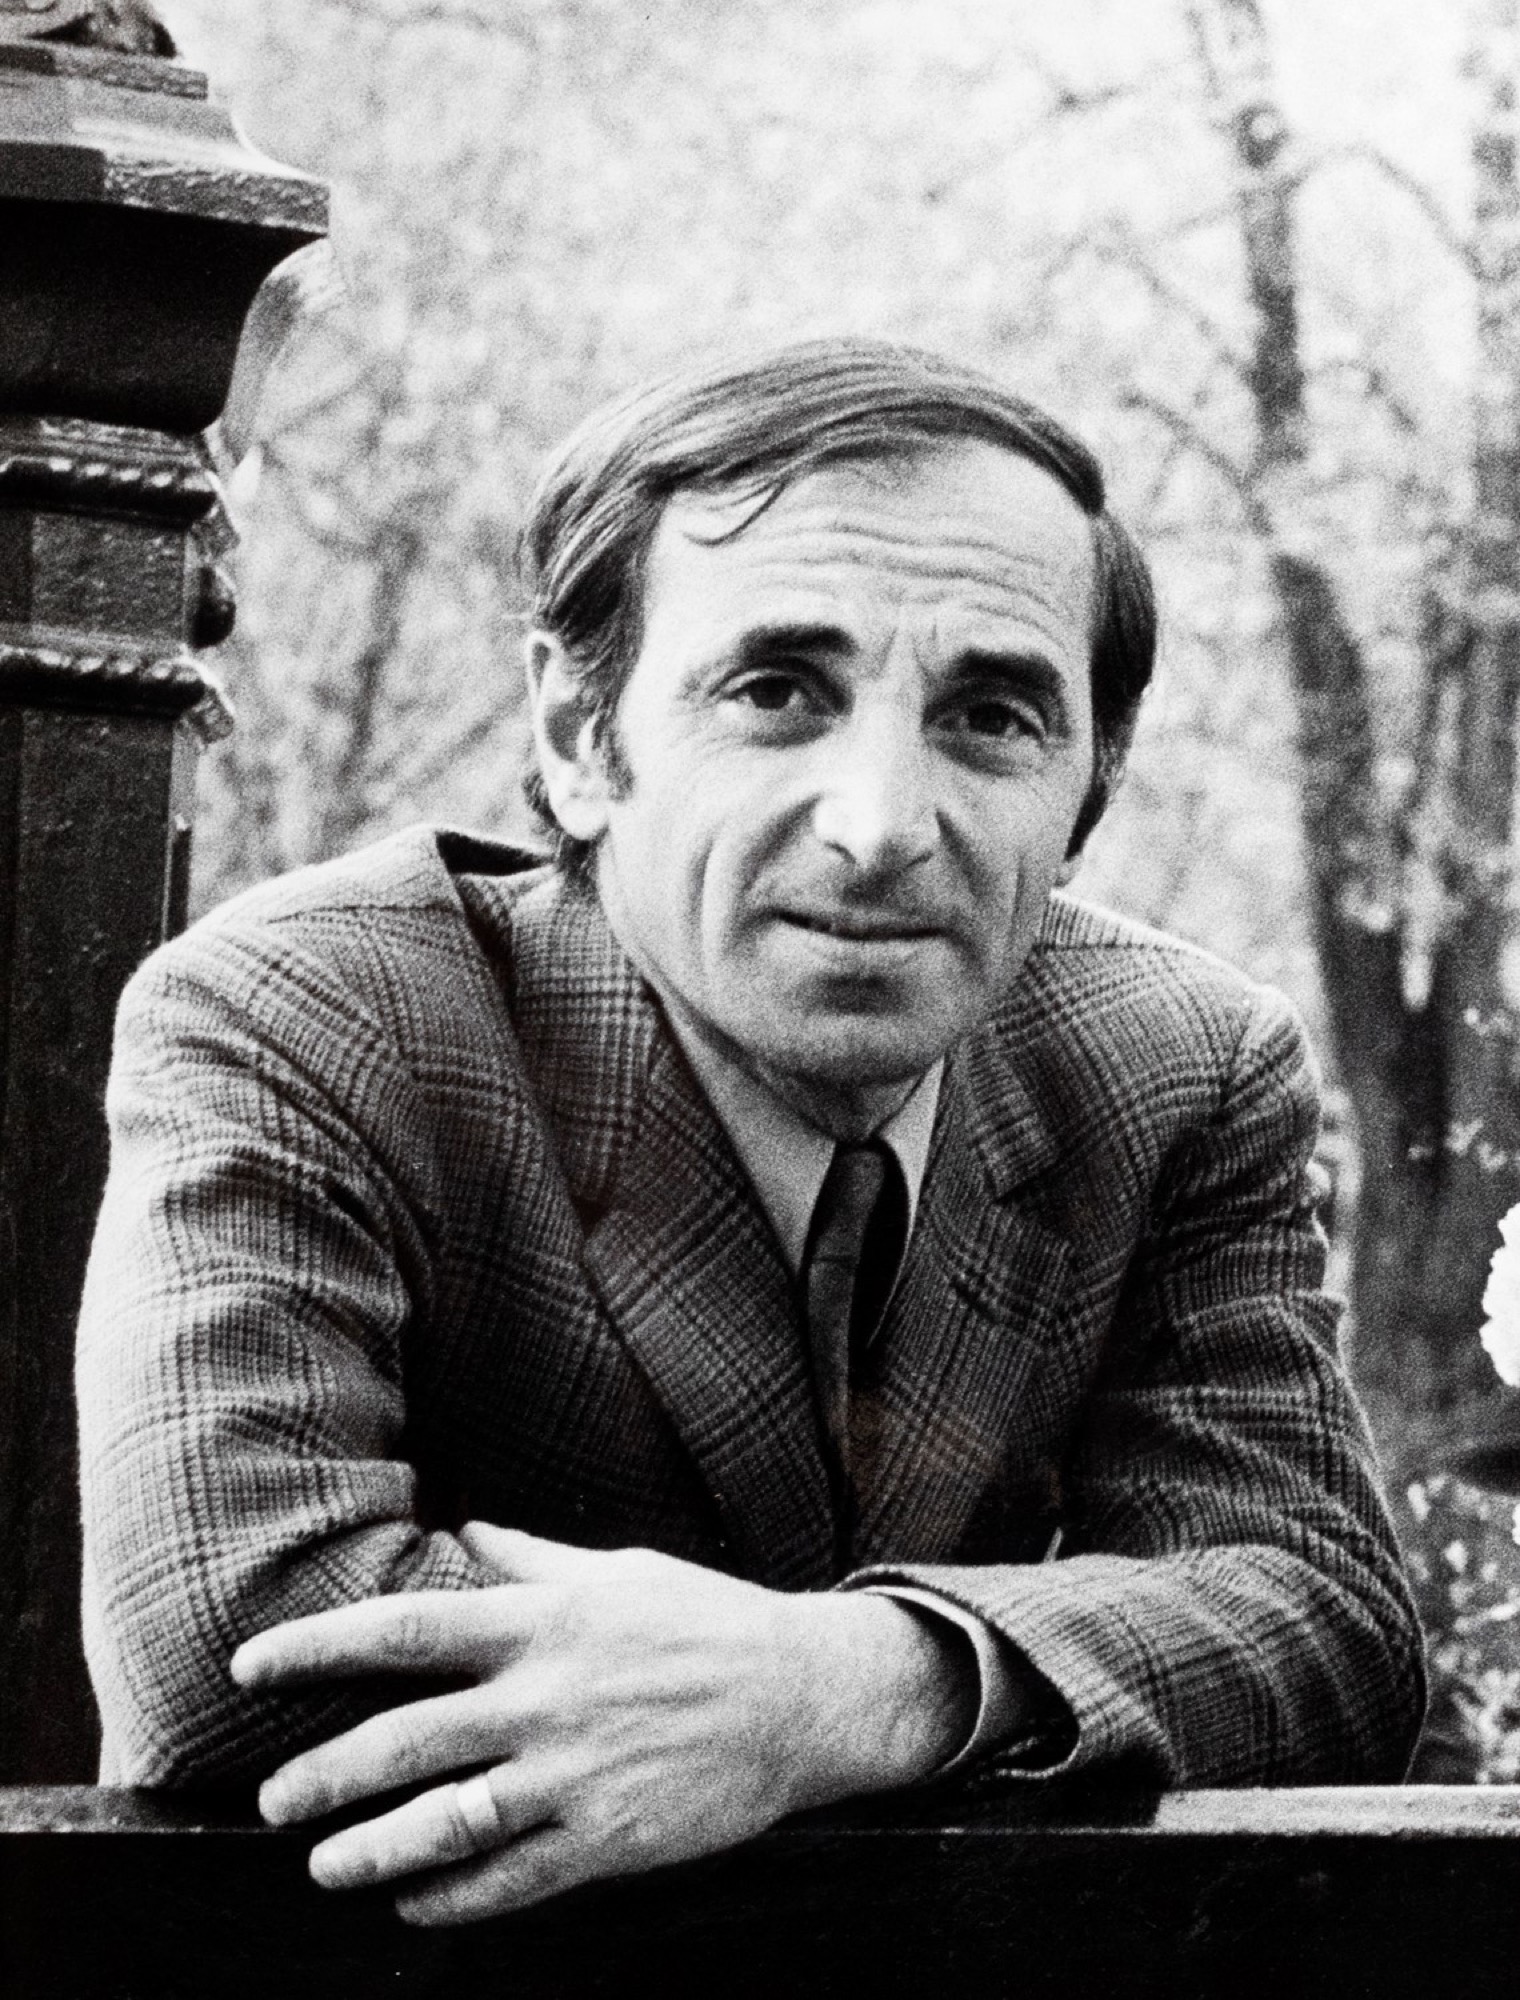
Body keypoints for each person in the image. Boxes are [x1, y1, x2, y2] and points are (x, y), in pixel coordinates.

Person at [76, 338, 1424, 1928]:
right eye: (778, 693)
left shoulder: (1178, 1064)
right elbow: (230, 1646)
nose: (881, 826)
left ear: (1090, 790)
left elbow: (1323, 1618)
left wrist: (858, 1682)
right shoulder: (311, 1013)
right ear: (581, 736)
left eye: (991, 716)